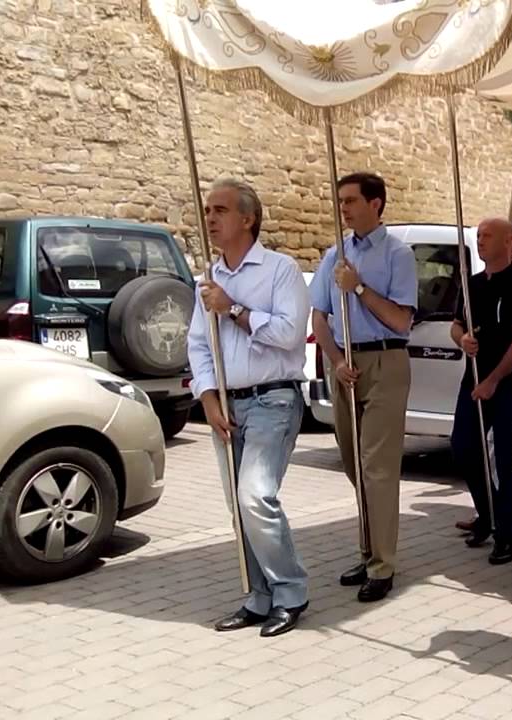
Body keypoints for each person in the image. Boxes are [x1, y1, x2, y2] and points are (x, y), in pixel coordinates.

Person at [190, 179, 311, 637]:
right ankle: (259, 597)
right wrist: (207, 396)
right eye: (207, 210)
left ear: (248, 219)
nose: (211, 219)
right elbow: (198, 344)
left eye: (220, 210)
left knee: (255, 496)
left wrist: (234, 309)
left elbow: (288, 334)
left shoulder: (280, 270)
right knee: (237, 506)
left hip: (273, 398)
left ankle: (291, 591)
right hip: (228, 403)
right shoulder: (208, 277)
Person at [310, 172, 418, 603]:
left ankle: (382, 565)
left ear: (376, 204)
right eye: (340, 201)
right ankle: (368, 549)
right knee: (355, 464)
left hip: (386, 360)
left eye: (351, 200)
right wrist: (335, 361)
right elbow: (319, 315)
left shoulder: (399, 254)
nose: (344, 208)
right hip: (347, 365)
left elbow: (401, 320)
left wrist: (358, 287)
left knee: (377, 468)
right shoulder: (334, 254)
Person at [450, 218, 512, 564]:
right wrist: (463, 340)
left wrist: (494, 380)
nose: (480, 241)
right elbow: (456, 327)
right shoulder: (471, 285)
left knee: (505, 457)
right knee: (463, 446)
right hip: (473, 376)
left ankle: (509, 530)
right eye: (478, 236)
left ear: (505, 243)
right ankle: (486, 513)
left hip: (508, 381)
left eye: (487, 236)